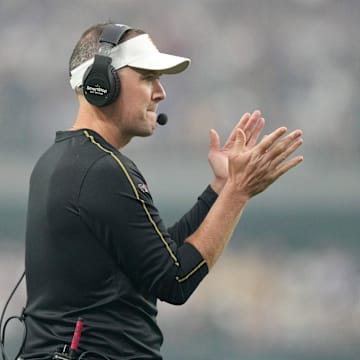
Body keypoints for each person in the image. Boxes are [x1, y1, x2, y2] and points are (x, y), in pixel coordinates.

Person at [21, 22, 303, 360]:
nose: (161, 92)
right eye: (146, 78)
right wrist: (238, 194)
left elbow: (159, 259)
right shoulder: (101, 169)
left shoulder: (62, 159)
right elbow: (175, 280)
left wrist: (221, 188)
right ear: (101, 84)